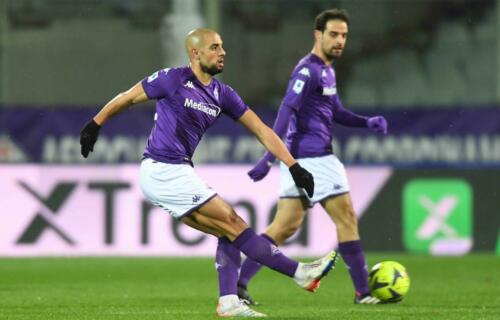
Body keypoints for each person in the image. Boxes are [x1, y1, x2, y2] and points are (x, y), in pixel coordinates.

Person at [79, 28, 338, 317]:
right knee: (232, 219)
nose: (222, 52)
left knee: (228, 233)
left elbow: (262, 130)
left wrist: (294, 165)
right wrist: (95, 123)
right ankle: (300, 273)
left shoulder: (222, 94)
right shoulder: (172, 79)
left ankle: (228, 303)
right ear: (195, 53)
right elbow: (127, 97)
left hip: (176, 170)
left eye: (222, 46)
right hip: (163, 168)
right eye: (214, 47)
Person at [236, 9, 388, 305]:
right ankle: (363, 292)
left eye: (344, 35)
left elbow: (337, 112)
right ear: (317, 35)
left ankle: (239, 285)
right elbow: (286, 109)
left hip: (300, 159)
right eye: (333, 34)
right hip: (315, 157)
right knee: (347, 218)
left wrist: (365, 122)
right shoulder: (308, 70)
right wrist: (268, 157)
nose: (340, 40)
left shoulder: (327, 70)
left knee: (284, 226)